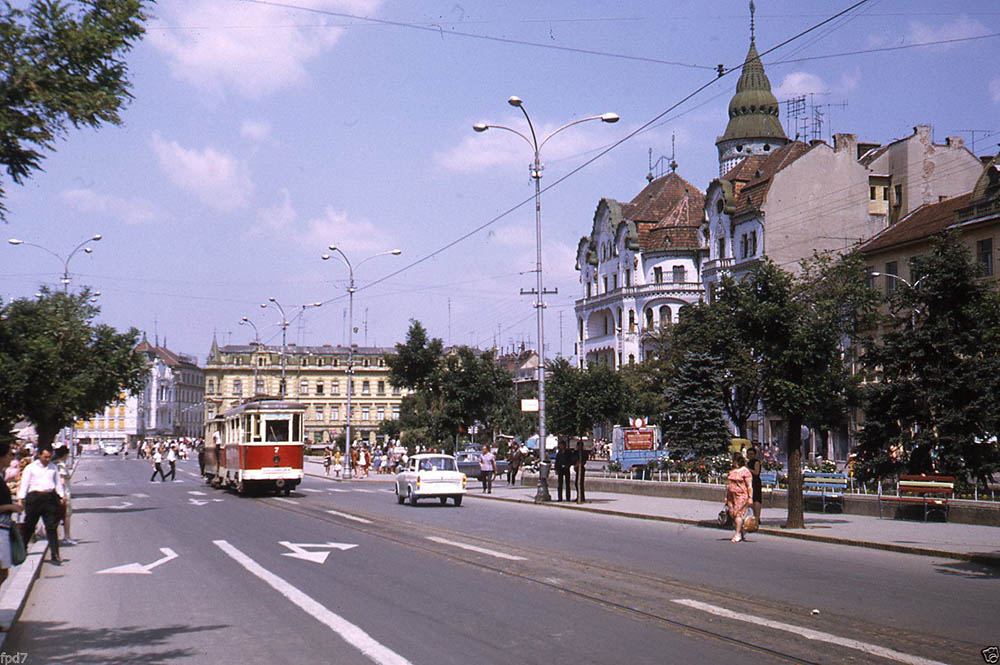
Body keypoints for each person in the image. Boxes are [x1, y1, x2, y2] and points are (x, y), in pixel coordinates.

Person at [17, 446, 66, 565]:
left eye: (49, 457)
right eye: (45, 457)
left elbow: (57, 482)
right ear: (39, 455)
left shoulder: (53, 467)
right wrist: (21, 498)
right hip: (34, 498)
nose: (48, 459)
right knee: (29, 525)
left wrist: (61, 495)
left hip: (49, 498)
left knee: (51, 527)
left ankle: (55, 554)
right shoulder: (31, 468)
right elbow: (24, 484)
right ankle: (23, 549)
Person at [0, 441, 24, 595]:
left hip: (4, 528)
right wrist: (11, 507)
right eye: (9, 455)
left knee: (3, 571)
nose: (12, 458)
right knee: (1, 571)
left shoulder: (2, 476)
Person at [726, 453, 753, 543]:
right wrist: (726, 496)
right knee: (732, 514)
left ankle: (737, 534)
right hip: (731, 495)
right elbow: (729, 484)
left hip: (741, 495)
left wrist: (750, 497)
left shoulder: (745, 471)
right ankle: (741, 531)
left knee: (738, 514)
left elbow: (749, 486)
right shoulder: (732, 471)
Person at [53, 447, 76, 545]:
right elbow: (62, 481)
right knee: (66, 514)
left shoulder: (54, 463)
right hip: (64, 493)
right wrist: (63, 496)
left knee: (57, 515)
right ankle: (67, 536)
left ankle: (45, 531)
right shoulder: (61, 465)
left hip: (56, 493)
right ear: (65, 454)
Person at [746, 445, 763, 522]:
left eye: (752, 454)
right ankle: (753, 516)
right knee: (751, 499)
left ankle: (757, 517)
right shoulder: (748, 462)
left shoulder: (756, 462)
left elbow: (756, 472)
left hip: (755, 482)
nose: (750, 455)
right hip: (749, 482)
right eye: (749, 454)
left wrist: (748, 469)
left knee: (756, 499)